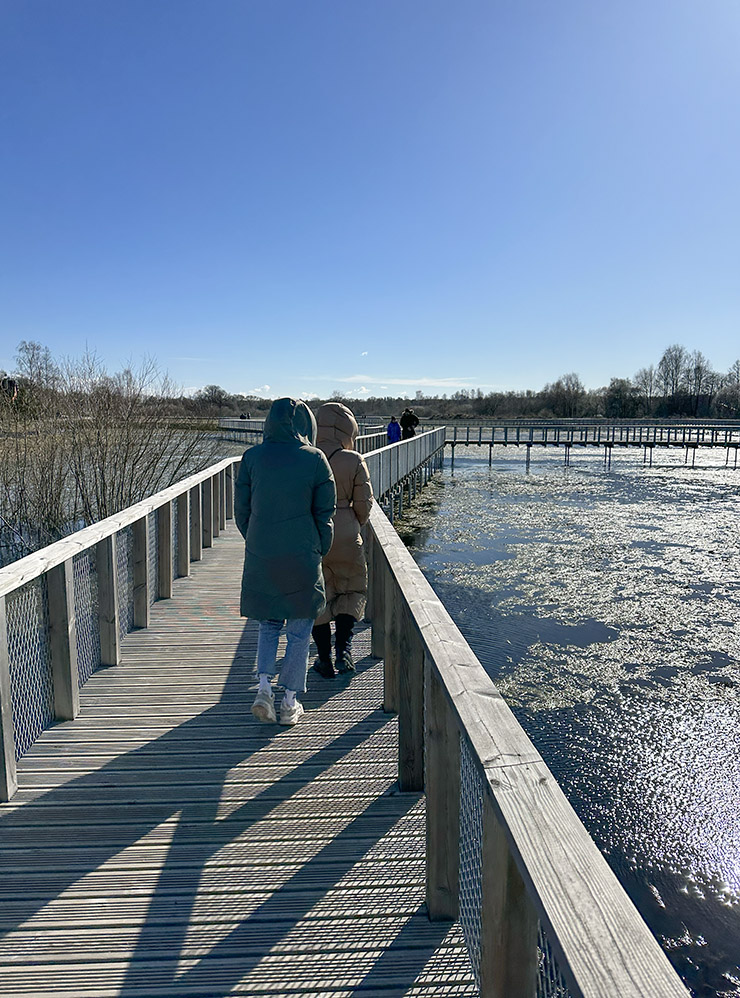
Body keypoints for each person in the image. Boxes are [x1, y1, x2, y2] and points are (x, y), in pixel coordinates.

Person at [235, 398, 336, 725]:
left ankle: (263, 688)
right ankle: (289, 701)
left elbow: (241, 511)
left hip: (263, 553)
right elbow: (325, 513)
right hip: (302, 554)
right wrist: (320, 547)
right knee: (299, 628)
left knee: (267, 623)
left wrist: (256, 538)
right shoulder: (316, 459)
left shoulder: (252, 458)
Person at [311, 402, 374, 678]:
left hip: (314, 532)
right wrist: (353, 524)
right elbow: (364, 503)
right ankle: (345, 650)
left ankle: (323, 659)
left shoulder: (308, 457)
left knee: (318, 594)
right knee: (352, 589)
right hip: (347, 530)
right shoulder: (353, 459)